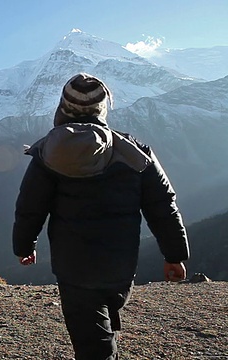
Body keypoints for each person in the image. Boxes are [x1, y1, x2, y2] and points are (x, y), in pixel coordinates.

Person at [12, 73, 190, 360]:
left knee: (92, 342)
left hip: (73, 269)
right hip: (121, 266)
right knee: (103, 326)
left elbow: (30, 206)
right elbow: (162, 205)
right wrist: (174, 254)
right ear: (102, 110)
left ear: (62, 109)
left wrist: (24, 246)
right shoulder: (132, 151)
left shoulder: (47, 154)